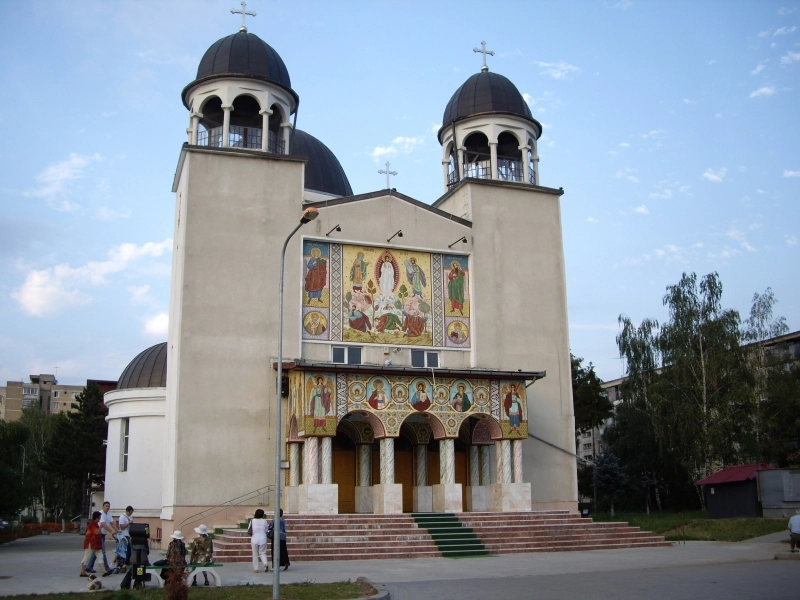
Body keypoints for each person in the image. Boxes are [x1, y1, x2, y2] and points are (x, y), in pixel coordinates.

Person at [87, 501, 116, 574]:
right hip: (98, 535)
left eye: (108, 506)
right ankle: (107, 568)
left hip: (103, 535)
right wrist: (111, 531)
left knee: (96, 551)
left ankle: (89, 567)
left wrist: (117, 530)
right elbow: (103, 524)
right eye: (106, 506)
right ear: (103, 507)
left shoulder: (109, 514)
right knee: (102, 552)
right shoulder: (100, 514)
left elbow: (112, 523)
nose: (107, 507)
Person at [80, 512, 112, 578]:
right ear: (97, 518)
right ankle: (82, 572)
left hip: (96, 544)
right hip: (91, 544)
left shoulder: (95, 524)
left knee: (100, 557)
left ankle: (104, 571)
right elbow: (97, 532)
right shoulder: (92, 524)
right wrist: (101, 526)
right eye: (99, 517)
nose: (100, 519)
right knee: (86, 558)